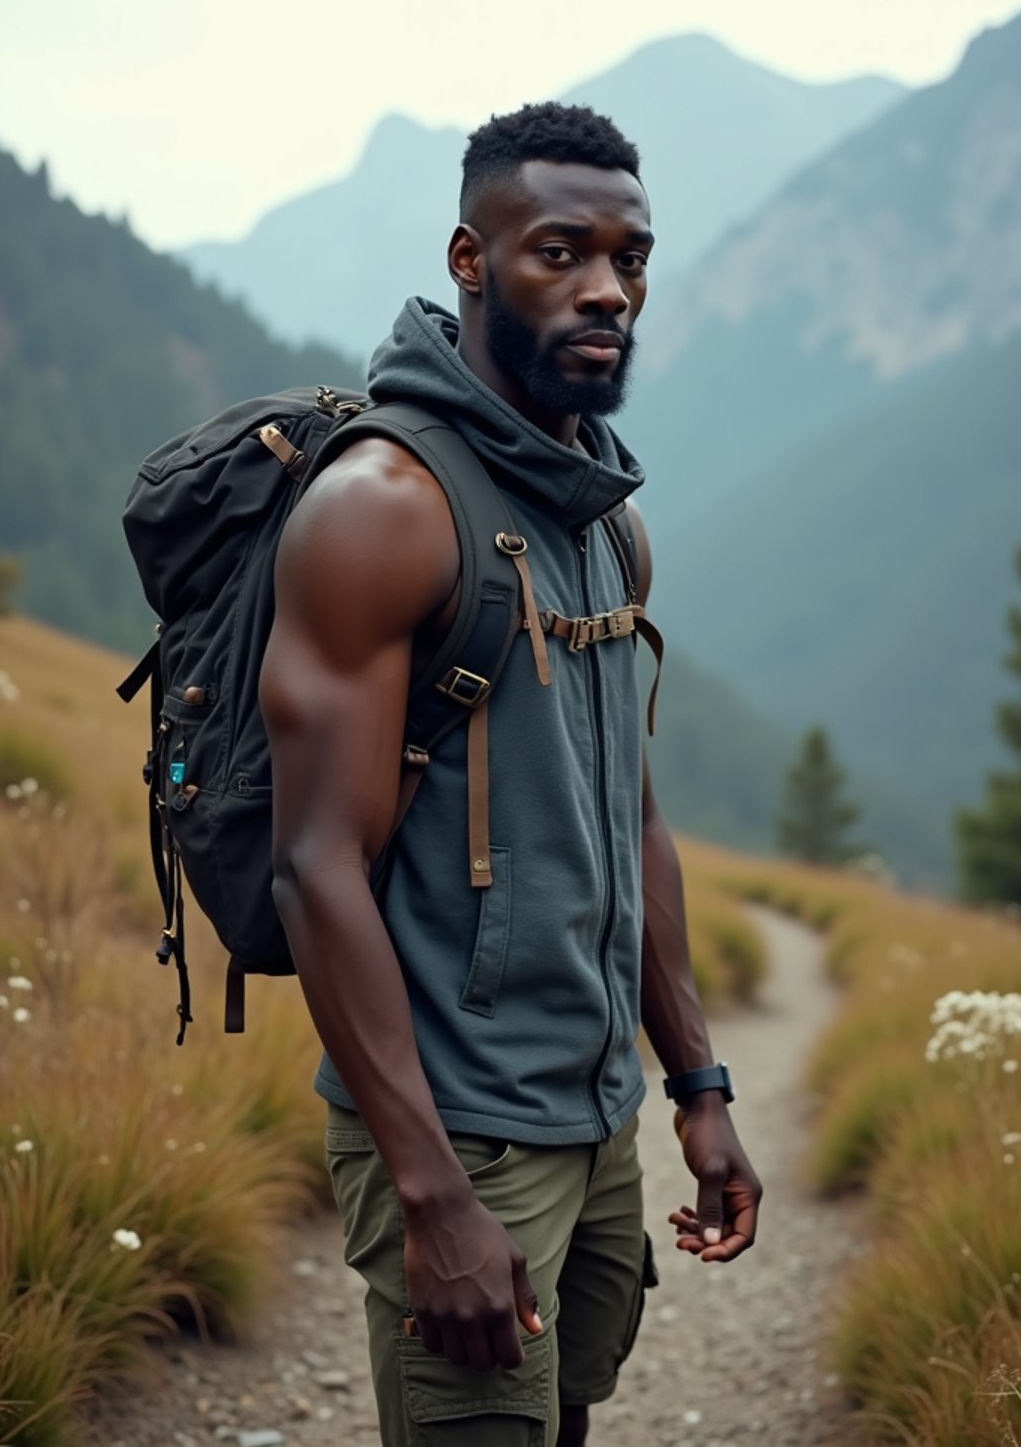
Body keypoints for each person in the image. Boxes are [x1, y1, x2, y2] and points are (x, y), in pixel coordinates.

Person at [259, 101, 762, 1447]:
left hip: (596, 1118)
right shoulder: (385, 510)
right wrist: (429, 1195)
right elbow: (315, 868)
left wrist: (694, 1088)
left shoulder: (606, 516)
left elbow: (629, 817)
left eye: (630, 257)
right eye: (560, 251)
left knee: (567, 1417)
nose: (607, 288)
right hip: (460, 1129)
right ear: (471, 260)